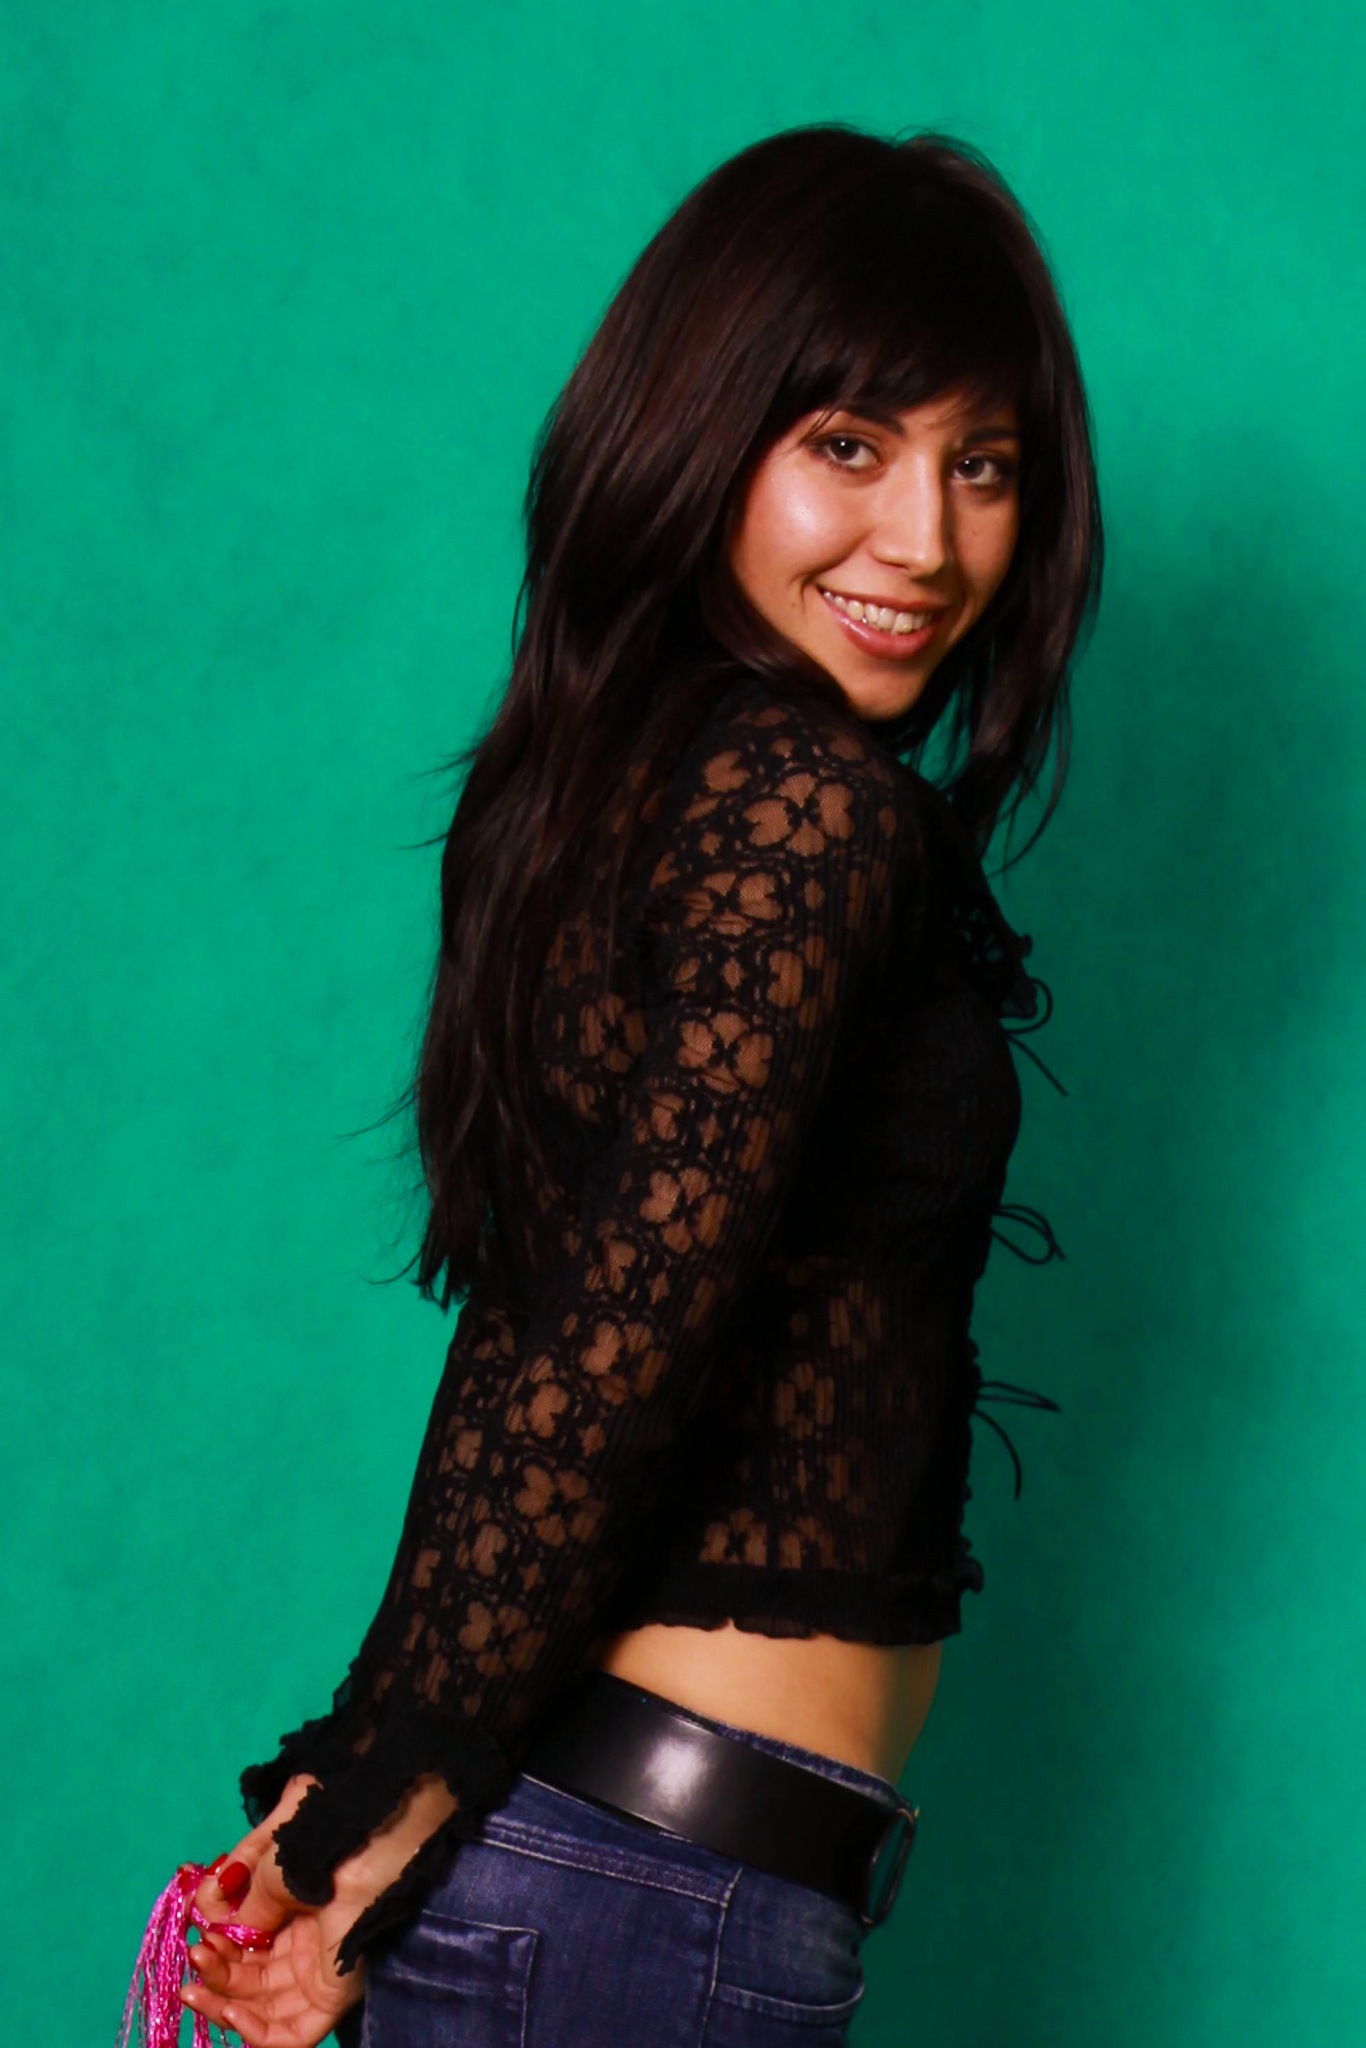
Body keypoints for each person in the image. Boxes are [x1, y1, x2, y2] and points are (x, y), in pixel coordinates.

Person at [179, 121, 1101, 2046]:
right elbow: (607, 1350)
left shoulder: (634, 784)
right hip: (642, 1901)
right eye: (847, 444)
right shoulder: (804, 813)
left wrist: (363, 1774)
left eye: (982, 464)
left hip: (594, 1877)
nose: (925, 543)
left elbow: (542, 1333)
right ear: (705, 429)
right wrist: (375, 1809)